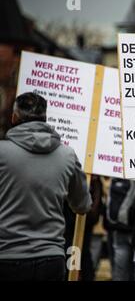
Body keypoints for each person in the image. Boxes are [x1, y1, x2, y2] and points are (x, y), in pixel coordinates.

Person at [0, 92, 92, 281]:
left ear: (14, 117)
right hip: (51, 259)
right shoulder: (67, 155)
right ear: (45, 118)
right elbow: (82, 205)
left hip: (7, 256)